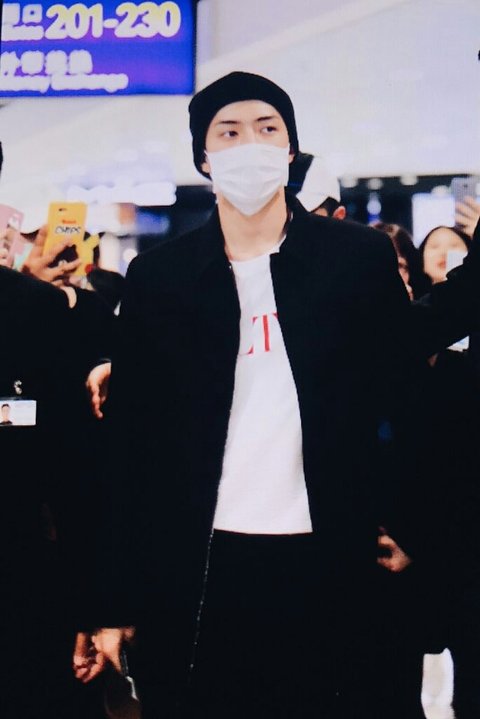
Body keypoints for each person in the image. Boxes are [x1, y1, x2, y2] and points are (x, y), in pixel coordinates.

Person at [74, 72, 480, 719]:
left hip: (336, 551)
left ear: (290, 149)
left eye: (268, 129)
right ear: (204, 157)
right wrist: (111, 600)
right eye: (229, 132)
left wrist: (412, 527)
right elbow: (131, 446)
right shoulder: (161, 278)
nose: (251, 144)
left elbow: (405, 399)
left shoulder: (355, 260)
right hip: (203, 558)